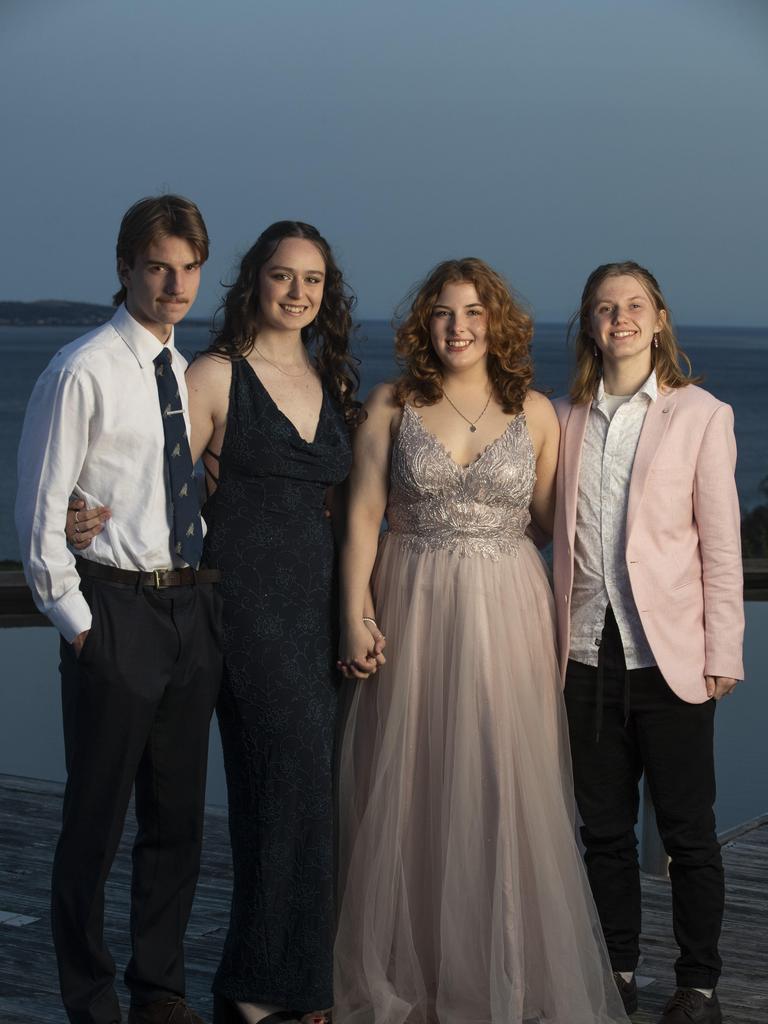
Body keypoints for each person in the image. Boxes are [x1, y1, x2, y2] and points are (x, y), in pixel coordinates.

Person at [334, 258, 627, 1024]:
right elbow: (364, 517)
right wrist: (353, 612)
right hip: (411, 604)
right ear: (423, 326)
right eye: (442, 314)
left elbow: (548, 522)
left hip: (506, 611)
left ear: (495, 322)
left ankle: (504, 968)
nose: (458, 327)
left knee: (502, 781)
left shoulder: (534, 412)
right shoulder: (391, 405)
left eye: (472, 312)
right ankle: (413, 968)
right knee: (414, 782)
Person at [15, 195, 223, 1024]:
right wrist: (82, 626)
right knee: (94, 825)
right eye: (158, 266)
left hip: (187, 612)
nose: (175, 284)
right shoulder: (81, 370)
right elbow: (39, 519)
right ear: (125, 268)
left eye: (188, 268)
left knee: (177, 825)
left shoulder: (183, 370)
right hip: (115, 613)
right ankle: (89, 994)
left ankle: (159, 991)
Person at [552, 261, 744, 1024]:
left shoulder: (701, 414)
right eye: (604, 307)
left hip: (669, 658)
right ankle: (617, 971)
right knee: (601, 830)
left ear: (658, 318)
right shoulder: (561, 416)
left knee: (689, 832)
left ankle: (697, 984)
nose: (619, 317)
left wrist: (723, 651)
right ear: (590, 325)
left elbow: (722, 546)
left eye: (634, 305)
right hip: (579, 653)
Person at [185, 222, 361, 1024]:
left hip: (318, 607)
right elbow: (164, 494)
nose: (298, 293)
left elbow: (340, 510)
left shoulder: (330, 380)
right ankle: (261, 984)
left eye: (313, 281)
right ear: (253, 280)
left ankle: (287, 979)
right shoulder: (216, 374)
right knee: (281, 779)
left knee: (309, 792)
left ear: (327, 295)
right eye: (283, 276)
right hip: (245, 607)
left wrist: (356, 608)